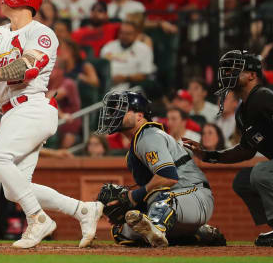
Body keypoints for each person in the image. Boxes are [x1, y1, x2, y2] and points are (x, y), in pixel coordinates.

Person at [0, 0, 104, 249]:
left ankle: (37, 218)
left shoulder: (42, 33)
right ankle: (83, 210)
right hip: (11, 113)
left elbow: (27, 67)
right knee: (14, 190)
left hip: (34, 106)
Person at [184, 50, 273, 247]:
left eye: (234, 70)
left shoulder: (263, 96)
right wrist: (209, 155)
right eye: (226, 70)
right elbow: (246, 150)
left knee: (262, 171)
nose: (227, 74)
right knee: (243, 181)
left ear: (252, 75)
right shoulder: (242, 111)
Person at [96, 91, 224, 247]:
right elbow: (150, 190)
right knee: (122, 232)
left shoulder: (149, 136)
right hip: (174, 204)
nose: (114, 113)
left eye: (122, 109)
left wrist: (132, 196)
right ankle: (196, 234)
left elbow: (168, 177)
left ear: (139, 116)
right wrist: (129, 206)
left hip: (195, 195)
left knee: (161, 200)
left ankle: (158, 229)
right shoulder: (136, 147)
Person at [100, 21, 154, 87]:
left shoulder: (144, 49)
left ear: (136, 35)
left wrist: (125, 78)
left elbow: (145, 74)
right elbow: (101, 69)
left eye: (128, 34)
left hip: (132, 85)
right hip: (107, 84)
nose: (124, 36)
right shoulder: (109, 47)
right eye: (121, 33)